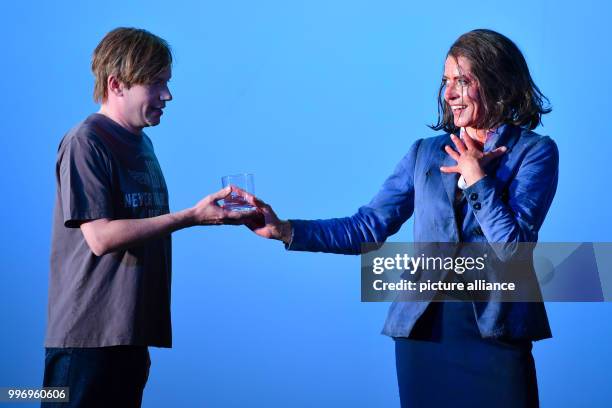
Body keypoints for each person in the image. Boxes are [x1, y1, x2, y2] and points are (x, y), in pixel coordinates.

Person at [242, 29, 558, 407]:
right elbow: (367, 228)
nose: (450, 94)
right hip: (422, 335)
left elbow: (514, 249)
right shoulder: (424, 153)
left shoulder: (535, 152)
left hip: (496, 331)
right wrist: (285, 230)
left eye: (463, 81)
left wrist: (476, 178)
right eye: (446, 82)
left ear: (498, 82)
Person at [43, 27, 256, 407]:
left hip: (129, 336)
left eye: (167, 83)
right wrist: (191, 216)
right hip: (86, 341)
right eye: (156, 84)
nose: (167, 95)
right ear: (117, 84)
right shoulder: (85, 142)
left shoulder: (143, 143)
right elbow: (101, 238)